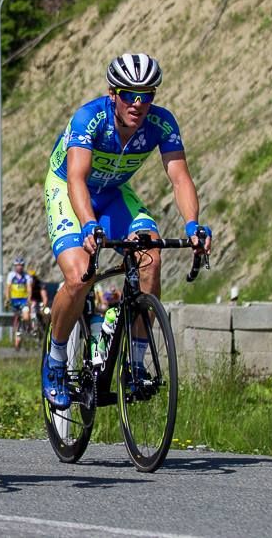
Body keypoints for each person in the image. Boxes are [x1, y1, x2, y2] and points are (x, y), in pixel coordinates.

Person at [41, 53, 211, 409]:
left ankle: (134, 362)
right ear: (112, 93)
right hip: (71, 191)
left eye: (146, 95)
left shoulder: (161, 124)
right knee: (79, 275)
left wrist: (193, 225)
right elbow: (76, 178)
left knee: (150, 257)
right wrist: (88, 224)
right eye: (129, 94)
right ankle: (55, 358)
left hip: (116, 194)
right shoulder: (90, 118)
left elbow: (179, 177)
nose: (138, 103)